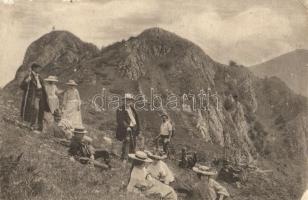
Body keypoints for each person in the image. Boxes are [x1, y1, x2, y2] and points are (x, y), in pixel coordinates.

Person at [20, 63, 49, 132]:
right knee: (35, 109)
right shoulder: (29, 76)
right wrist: (27, 81)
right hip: (34, 95)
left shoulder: (39, 77)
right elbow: (22, 86)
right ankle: (31, 125)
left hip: (41, 95)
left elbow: (43, 86)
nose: (39, 69)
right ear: (34, 68)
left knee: (41, 110)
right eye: (38, 68)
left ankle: (39, 126)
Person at [116, 93, 140, 161]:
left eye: (130, 100)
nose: (128, 101)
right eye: (127, 100)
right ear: (124, 101)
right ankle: (124, 159)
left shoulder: (132, 109)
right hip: (125, 129)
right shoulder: (120, 109)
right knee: (127, 142)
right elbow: (120, 120)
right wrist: (127, 127)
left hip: (133, 128)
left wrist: (138, 129)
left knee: (133, 143)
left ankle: (131, 159)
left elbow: (136, 120)